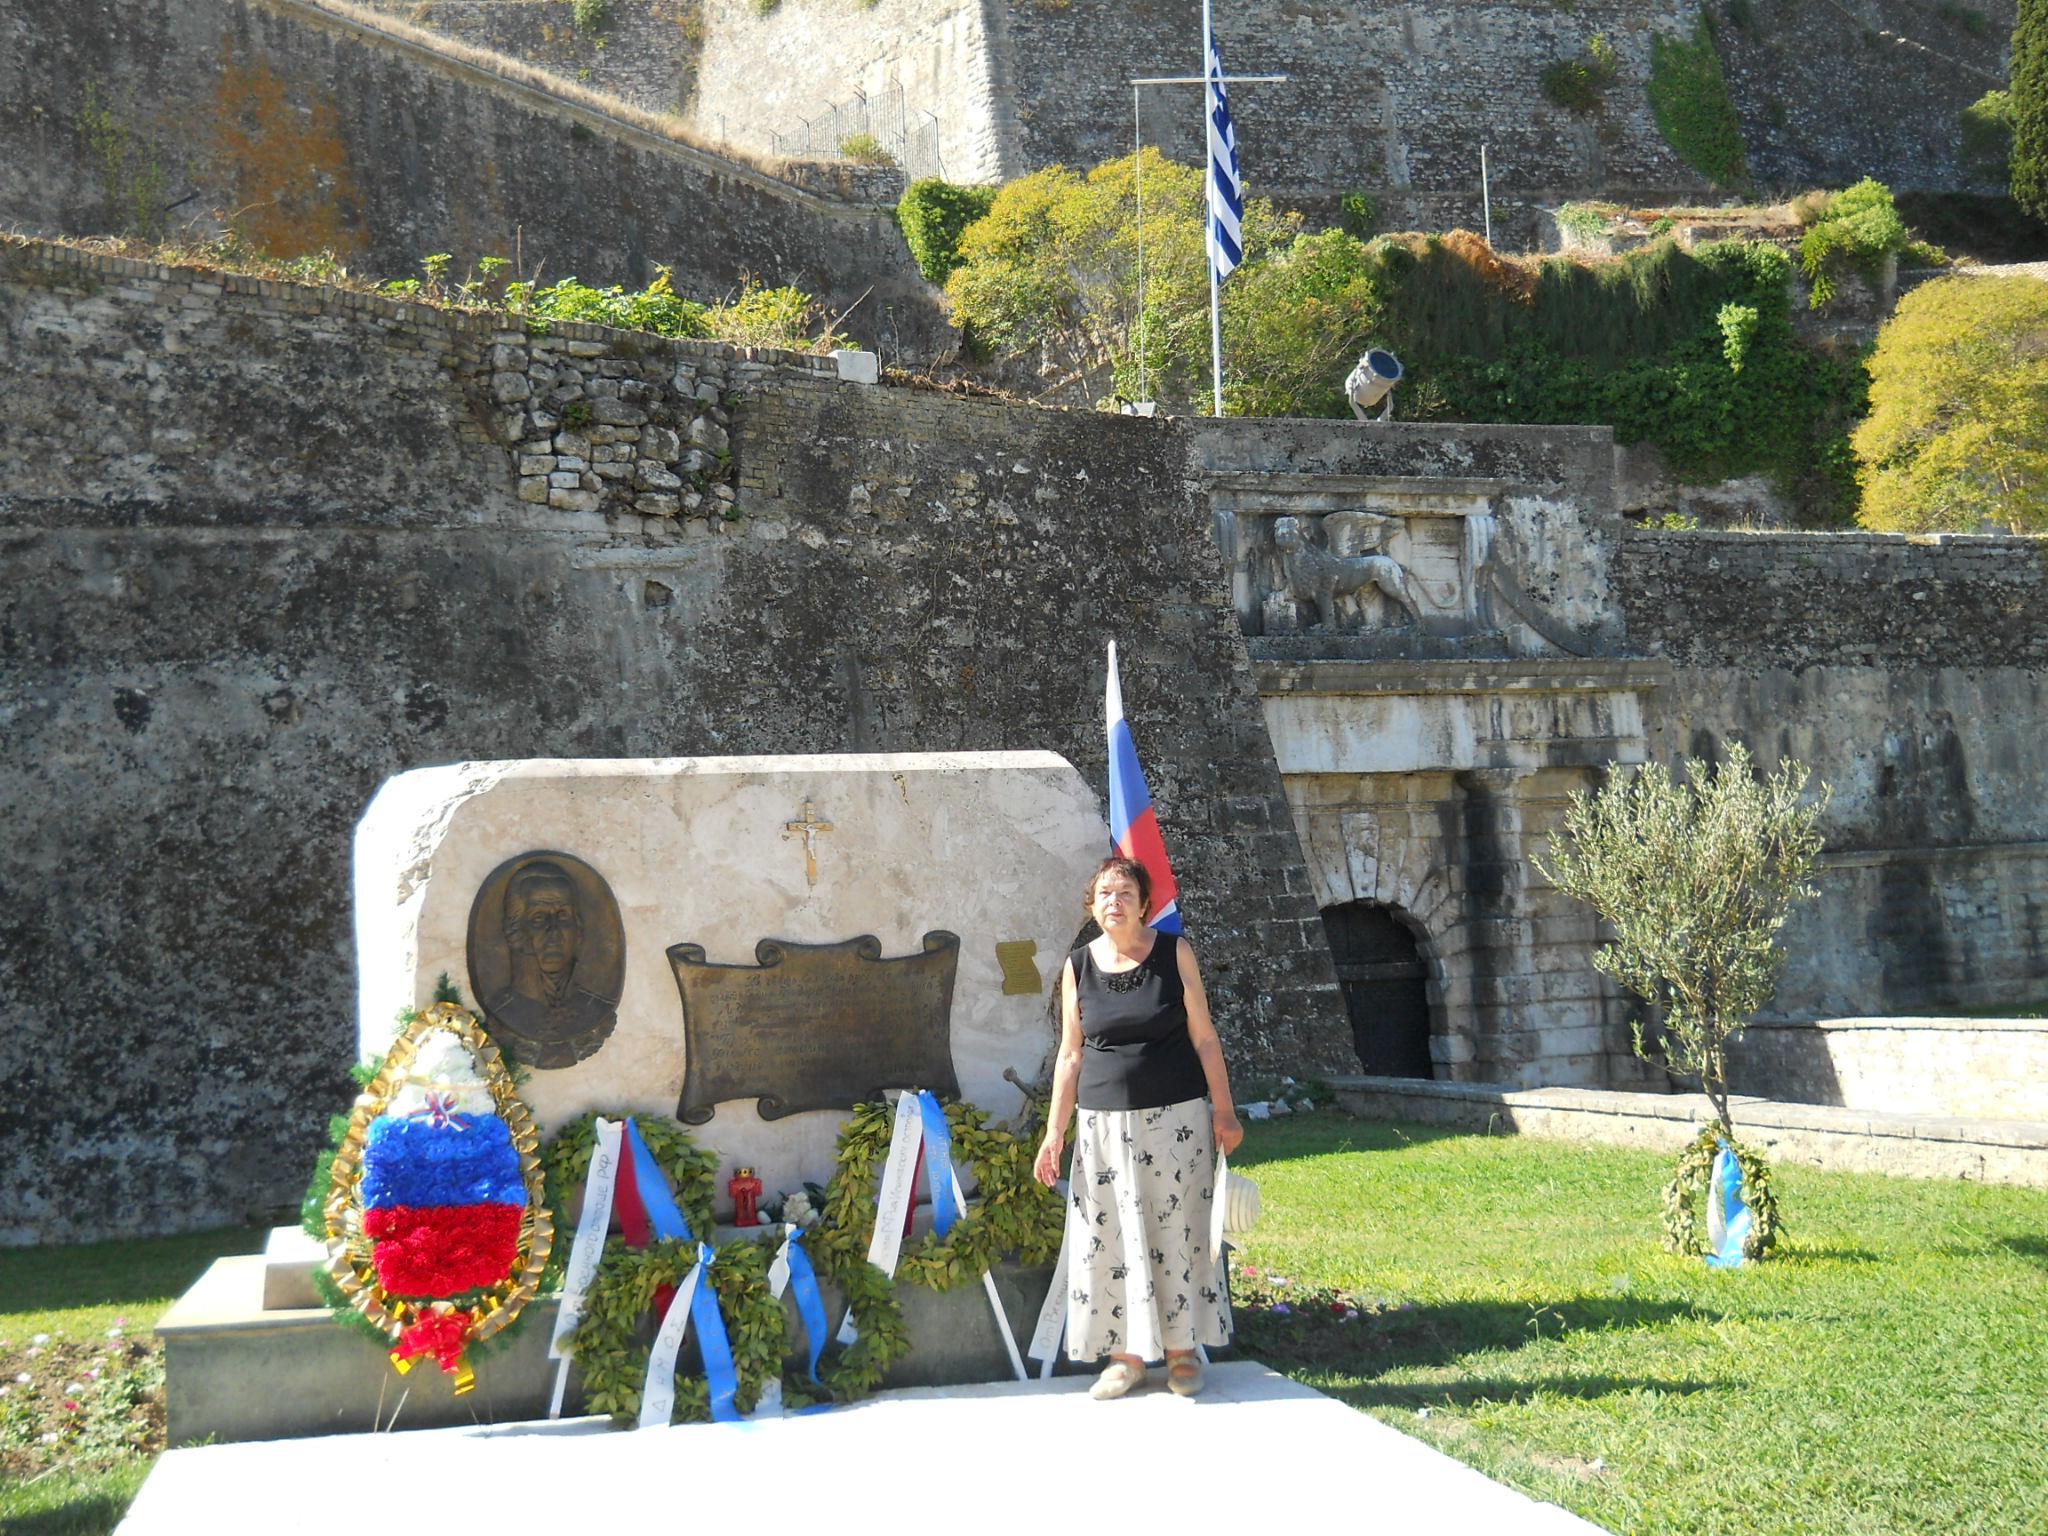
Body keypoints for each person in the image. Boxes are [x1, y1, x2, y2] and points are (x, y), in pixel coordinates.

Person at [1033, 855, 1244, 1399]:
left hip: (1176, 1123)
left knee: (1180, 1236)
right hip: (1103, 1130)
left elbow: (1204, 1038)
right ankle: (1124, 1357)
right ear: (1092, 904)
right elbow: (1070, 1055)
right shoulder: (1077, 965)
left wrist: (1224, 1111)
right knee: (1110, 1238)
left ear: (1145, 903)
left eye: (1125, 892)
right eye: (1104, 893)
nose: (1114, 902)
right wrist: (1055, 1134)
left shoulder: (1175, 954)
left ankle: (1181, 1353)